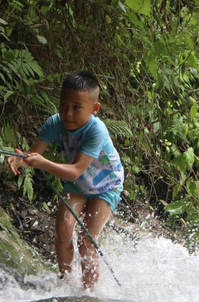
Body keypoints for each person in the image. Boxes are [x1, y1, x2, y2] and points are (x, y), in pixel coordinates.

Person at [8, 71, 124, 290]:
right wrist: (20, 160)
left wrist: (42, 163)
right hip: (78, 185)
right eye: (63, 105)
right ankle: (66, 284)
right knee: (63, 230)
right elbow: (33, 154)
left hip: (105, 186)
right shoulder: (54, 123)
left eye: (77, 107)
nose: (68, 113)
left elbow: (75, 171)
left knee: (86, 239)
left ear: (94, 109)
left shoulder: (96, 130)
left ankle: (90, 292)